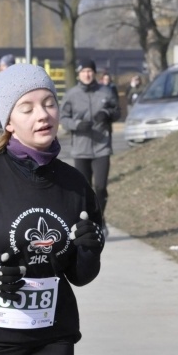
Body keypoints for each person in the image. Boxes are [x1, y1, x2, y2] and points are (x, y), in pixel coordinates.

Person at [0, 63, 104, 355]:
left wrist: (89, 250)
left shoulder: (74, 183)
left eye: (49, 103)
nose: (42, 115)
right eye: (27, 108)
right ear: (9, 123)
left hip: (52, 337)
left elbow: (80, 276)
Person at [60, 58, 121, 236]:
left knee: (100, 186)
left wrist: (107, 114)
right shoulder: (71, 95)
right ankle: (86, 223)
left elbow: (117, 111)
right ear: (79, 74)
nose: (87, 74)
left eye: (90, 71)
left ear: (94, 73)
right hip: (81, 148)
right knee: (84, 189)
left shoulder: (106, 91)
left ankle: (100, 219)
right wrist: (77, 125)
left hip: (102, 147)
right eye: (83, 71)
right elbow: (63, 119)